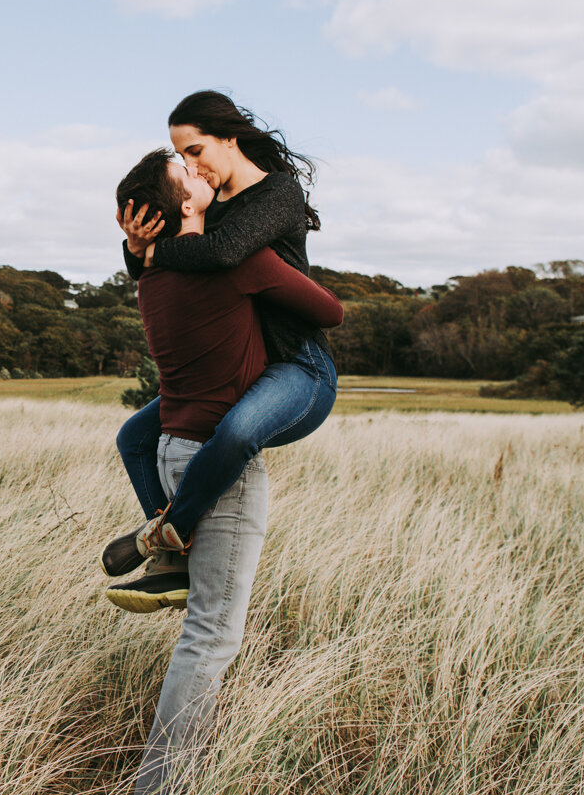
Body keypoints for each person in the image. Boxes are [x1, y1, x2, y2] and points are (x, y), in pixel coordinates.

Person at [106, 148, 343, 793]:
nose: (201, 172)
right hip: (218, 461)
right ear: (184, 206)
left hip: (172, 448)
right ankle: (161, 784)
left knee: (201, 627)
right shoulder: (242, 266)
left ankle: (168, 548)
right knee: (210, 636)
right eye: (188, 173)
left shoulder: (150, 277)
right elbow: (330, 312)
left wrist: (139, 246)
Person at [103, 90, 338, 602]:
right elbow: (171, 281)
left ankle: (168, 533)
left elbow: (222, 253)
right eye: (182, 156)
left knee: (235, 433)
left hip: (298, 364)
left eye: (195, 150)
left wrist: (149, 248)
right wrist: (137, 250)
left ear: (229, 139)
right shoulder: (208, 203)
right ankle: (174, 564)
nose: (192, 164)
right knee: (134, 439)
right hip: (239, 369)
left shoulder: (278, 193)